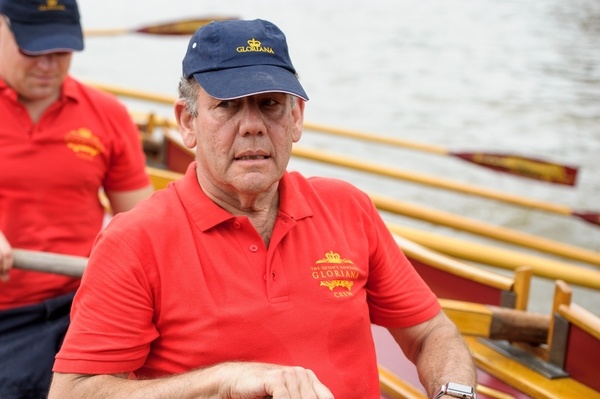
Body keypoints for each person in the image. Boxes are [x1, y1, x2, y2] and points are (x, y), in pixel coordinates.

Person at [48, 19, 477, 399]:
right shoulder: (133, 241)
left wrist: (454, 393)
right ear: (186, 123)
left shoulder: (348, 208)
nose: (252, 124)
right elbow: (74, 393)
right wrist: (223, 381)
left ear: (296, 120)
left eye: (269, 104)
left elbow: (431, 333)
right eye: (228, 106)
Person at [0, 0, 154, 397]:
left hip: (85, 306)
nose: (49, 65)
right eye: (34, 50)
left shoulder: (106, 114)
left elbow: (143, 227)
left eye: (62, 51)